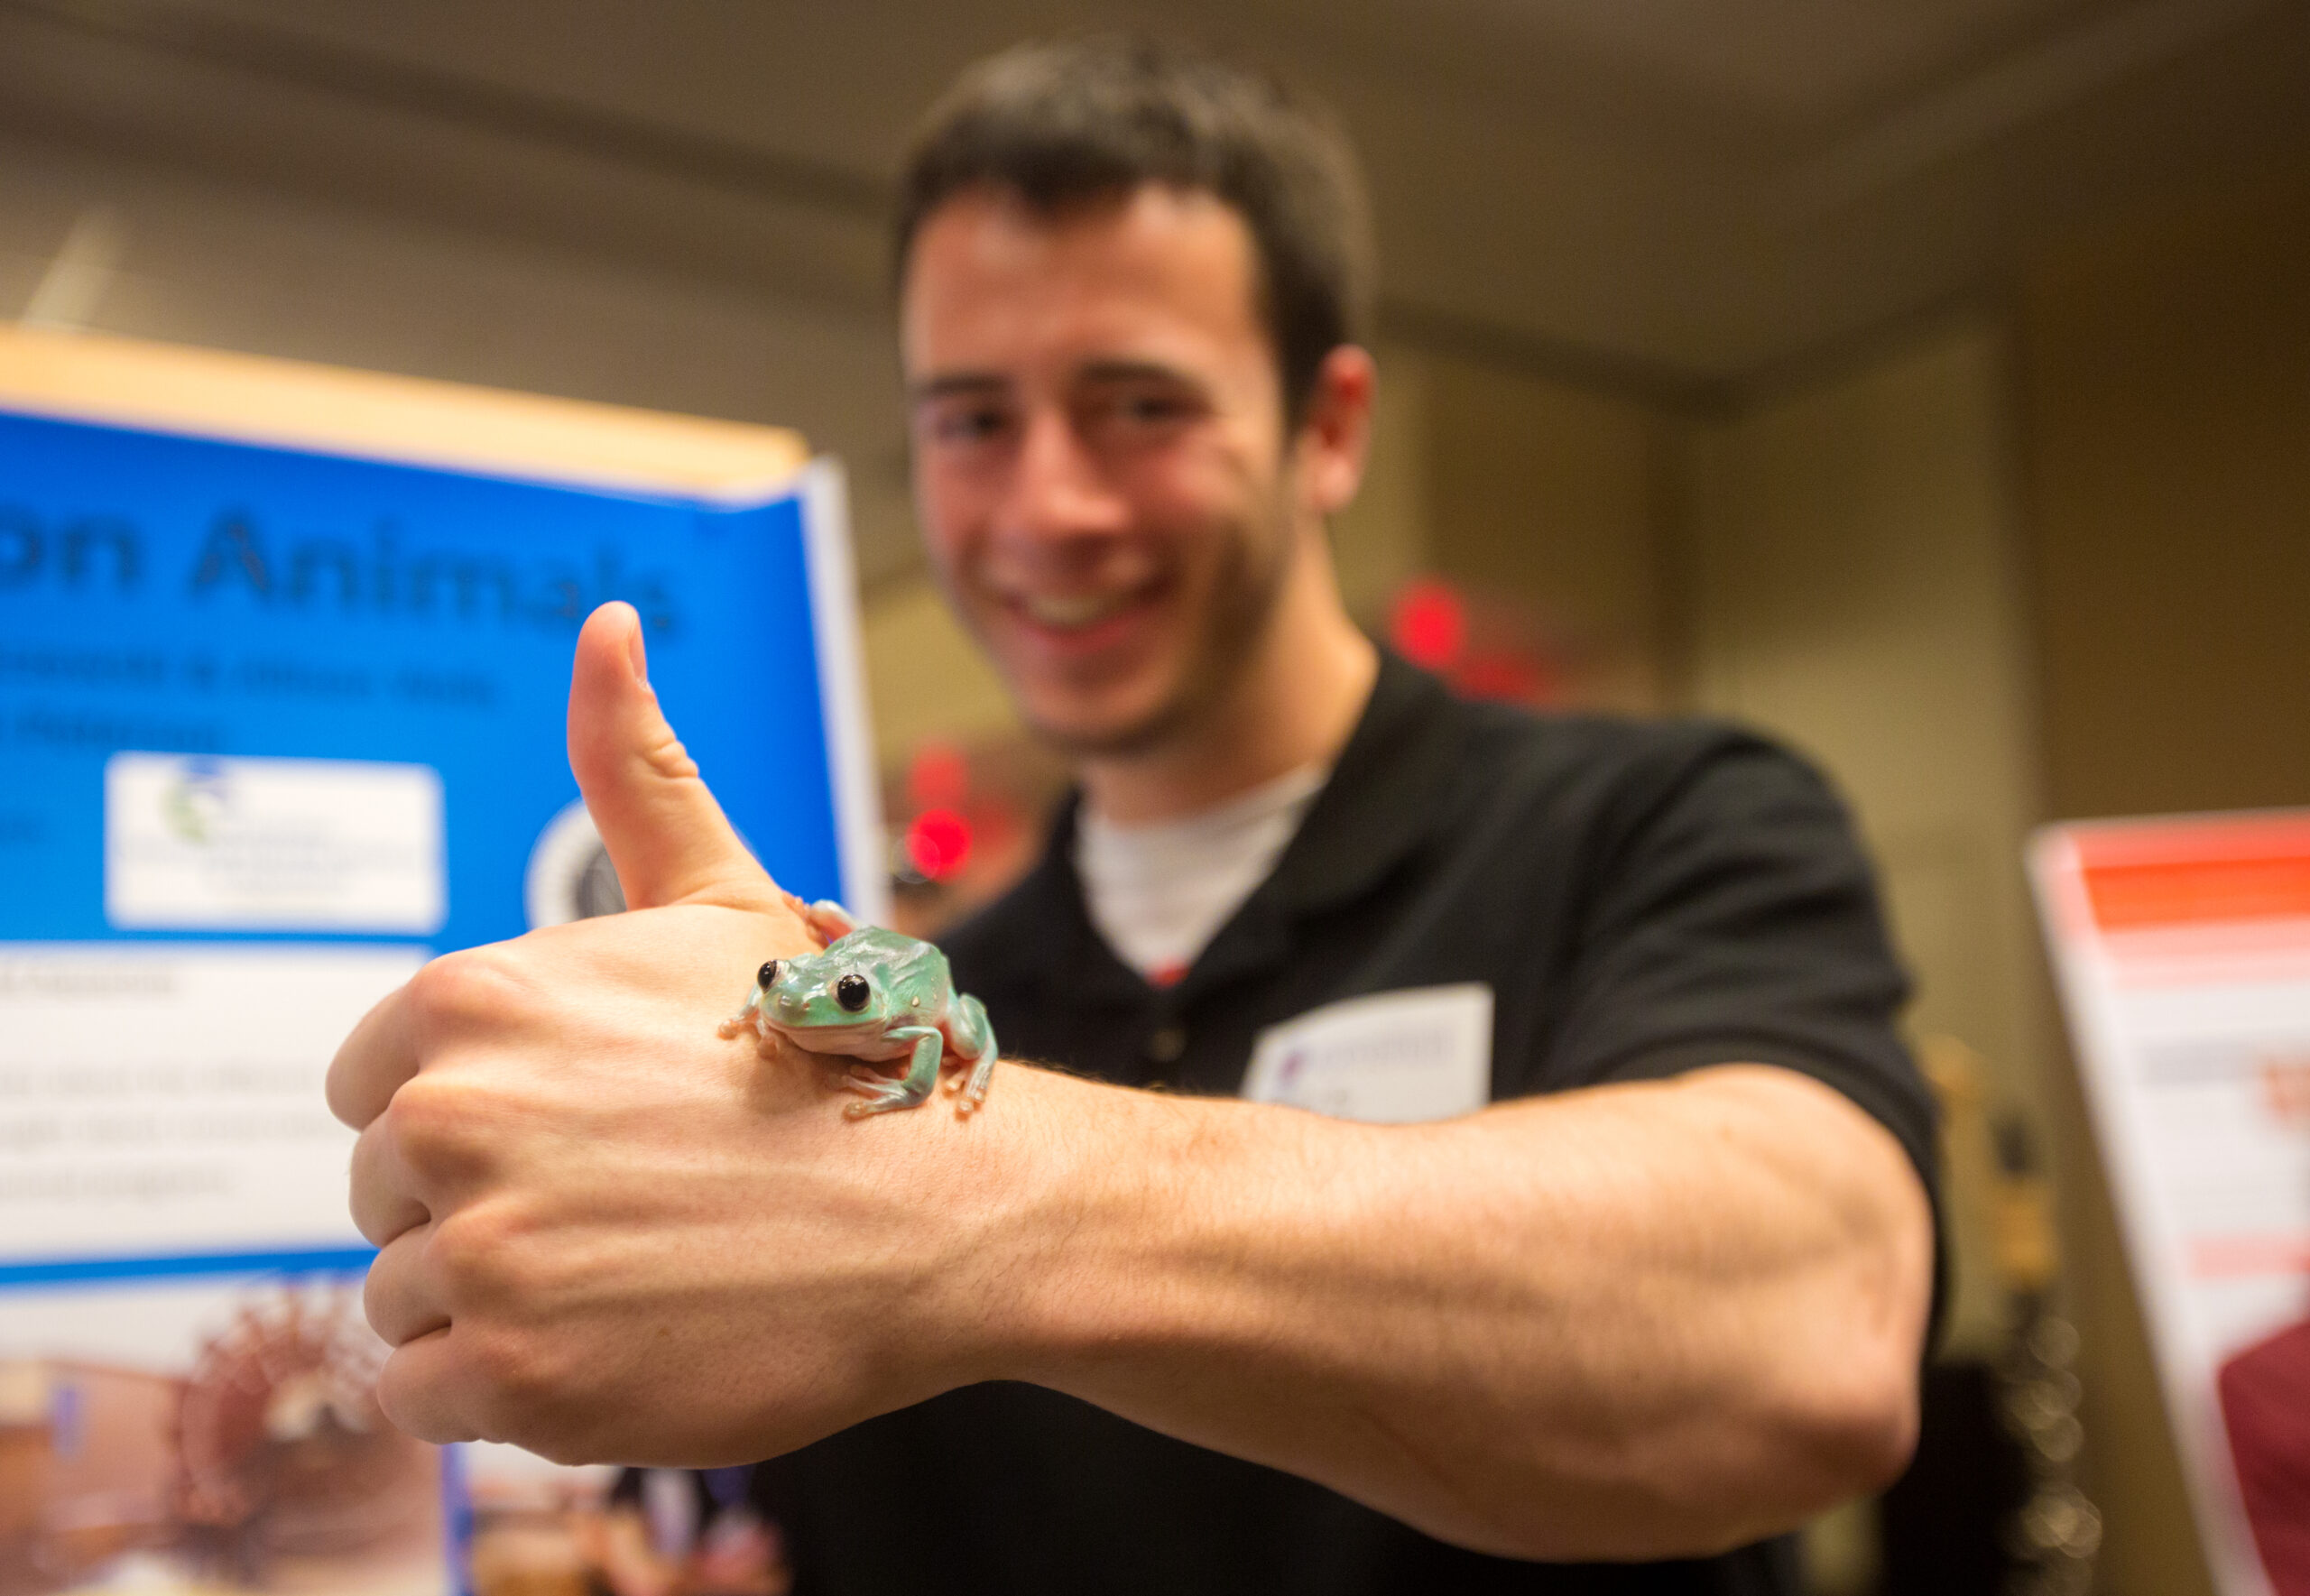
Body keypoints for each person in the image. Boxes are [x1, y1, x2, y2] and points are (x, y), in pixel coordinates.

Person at [328, 36, 1937, 1595]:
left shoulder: (1662, 824)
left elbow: (1818, 1330)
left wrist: (983, 1198)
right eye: (972, 419)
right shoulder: (946, 973)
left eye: (1139, 406)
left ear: (1328, 427)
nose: (1047, 508)